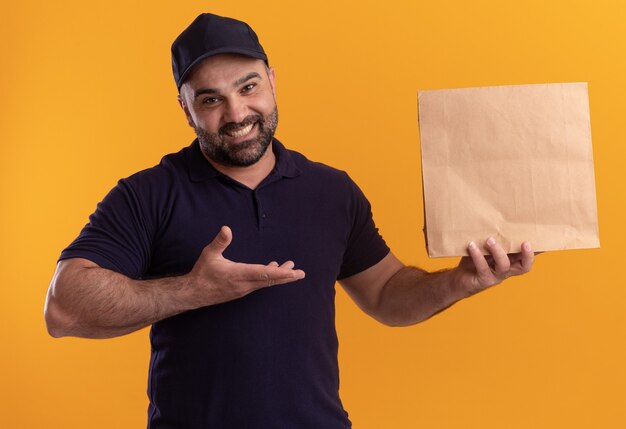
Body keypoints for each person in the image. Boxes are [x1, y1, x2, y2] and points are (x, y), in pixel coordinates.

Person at [44, 13, 536, 429]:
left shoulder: (331, 191)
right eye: (211, 99)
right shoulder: (149, 194)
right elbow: (63, 309)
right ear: (185, 108)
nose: (237, 113)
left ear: (273, 81)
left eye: (249, 87)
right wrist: (192, 292)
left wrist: (460, 282)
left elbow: (387, 295)